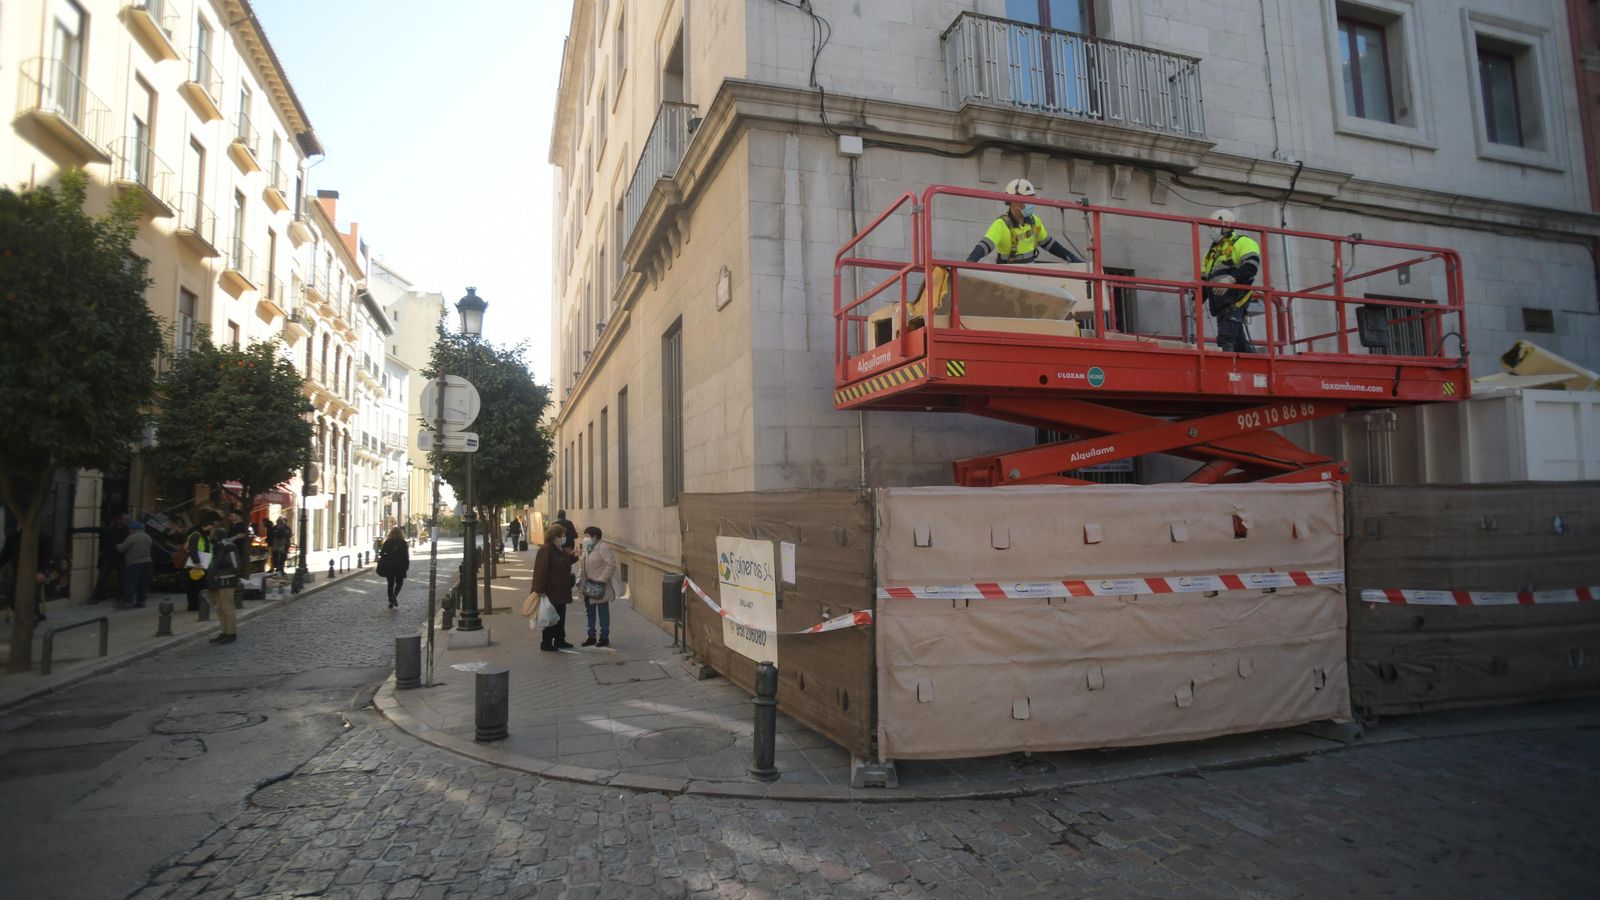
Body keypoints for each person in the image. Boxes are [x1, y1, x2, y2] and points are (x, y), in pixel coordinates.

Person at [966, 179, 1084, 265]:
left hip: (1030, 273)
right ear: (1015, 200)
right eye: (1028, 199)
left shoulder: (1034, 221)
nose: (1032, 203)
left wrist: (1074, 260)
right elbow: (985, 246)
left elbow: (1049, 244)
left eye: (1033, 198)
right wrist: (970, 263)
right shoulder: (1001, 224)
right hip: (1009, 276)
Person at [1201, 209, 1261, 354]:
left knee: (1225, 341)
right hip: (1221, 305)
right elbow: (1204, 281)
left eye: (1214, 226)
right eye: (1210, 227)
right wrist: (1195, 301)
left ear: (1226, 226)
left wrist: (1230, 279)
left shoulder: (1243, 242)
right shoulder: (1212, 253)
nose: (1211, 230)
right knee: (1238, 343)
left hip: (1235, 301)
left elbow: (1251, 267)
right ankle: (1255, 366)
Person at [528, 523, 577, 651]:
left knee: (560, 616)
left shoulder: (559, 548)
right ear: (555, 536)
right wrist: (540, 590)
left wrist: (574, 556)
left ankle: (560, 640)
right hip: (550, 591)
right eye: (562, 535)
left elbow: (564, 561)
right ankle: (547, 643)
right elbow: (540, 570)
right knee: (550, 617)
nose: (564, 537)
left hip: (561, 590)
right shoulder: (546, 549)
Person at [70, 514, 130, 603]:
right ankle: (98, 596)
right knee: (102, 577)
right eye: (126, 520)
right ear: (119, 520)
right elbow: (94, 529)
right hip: (109, 557)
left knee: (122, 579)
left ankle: (122, 596)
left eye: (128, 520)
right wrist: (76, 530)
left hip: (120, 558)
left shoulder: (127, 531)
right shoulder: (109, 530)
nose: (127, 522)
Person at [577, 526, 618, 647]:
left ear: (595, 536)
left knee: (602, 612)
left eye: (587, 536)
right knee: (590, 612)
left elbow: (611, 564)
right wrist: (579, 579)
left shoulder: (603, 547)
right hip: (588, 586)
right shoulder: (587, 548)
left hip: (599, 586)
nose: (585, 538)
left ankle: (604, 637)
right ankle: (591, 636)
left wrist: (602, 580)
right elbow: (582, 566)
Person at [207, 520, 242, 644]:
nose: (210, 537)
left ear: (216, 536)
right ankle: (224, 631)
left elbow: (235, 565)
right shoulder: (218, 547)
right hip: (218, 581)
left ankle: (231, 633)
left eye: (212, 535)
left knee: (227, 608)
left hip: (226, 581)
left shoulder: (228, 547)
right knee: (220, 608)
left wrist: (221, 574)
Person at [182, 514, 217, 612]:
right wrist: (196, 562)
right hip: (194, 566)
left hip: (203, 565)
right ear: (205, 526)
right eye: (211, 527)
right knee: (193, 587)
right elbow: (192, 549)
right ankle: (193, 607)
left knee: (201, 586)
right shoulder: (196, 535)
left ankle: (200, 605)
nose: (212, 529)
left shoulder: (206, 536)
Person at [115, 520, 154, 609]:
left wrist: (117, 545)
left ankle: (128, 602)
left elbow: (121, 549)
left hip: (135, 563)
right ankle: (141, 602)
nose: (129, 530)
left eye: (130, 529)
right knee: (143, 583)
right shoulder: (148, 537)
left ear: (133, 529)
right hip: (148, 562)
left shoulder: (131, 537)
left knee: (130, 583)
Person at [377, 526, 410, 609]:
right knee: (399, 583)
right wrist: (406, 566)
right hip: (400, 566)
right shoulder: (403, 543)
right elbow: (406, 556)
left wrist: (387, 556)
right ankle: (394, 596)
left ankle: (391, 601)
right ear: (401, 534)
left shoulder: (388, 542)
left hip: (389, 566)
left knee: (390, 584)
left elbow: (381, 553)